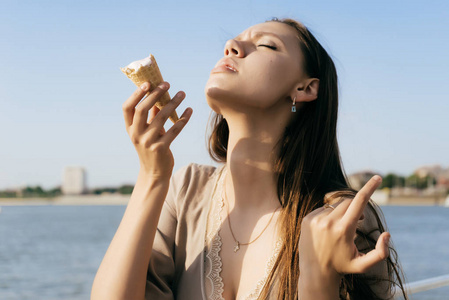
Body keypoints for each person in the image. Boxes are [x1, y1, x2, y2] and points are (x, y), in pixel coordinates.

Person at [91, 18, 408, 300]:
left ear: (305, 88)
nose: (232, 46)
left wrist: (317, 279)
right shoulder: (184, 189)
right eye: (234, 41)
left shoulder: (340, 219)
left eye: (267, 45)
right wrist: (152, 176)